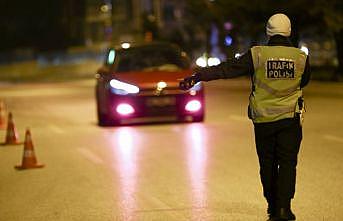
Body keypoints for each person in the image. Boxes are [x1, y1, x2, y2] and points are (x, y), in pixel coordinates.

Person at [179, 13, 310, 221]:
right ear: (289, 31)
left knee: (267, 164)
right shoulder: (301, 57)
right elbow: (303, 82)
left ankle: (272, 207)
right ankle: (284, 209)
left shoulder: (257, 54)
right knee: (287, 163)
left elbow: (228, 69)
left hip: (263, 120)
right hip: (290, 119)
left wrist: (199, 76)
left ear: (268, 31)